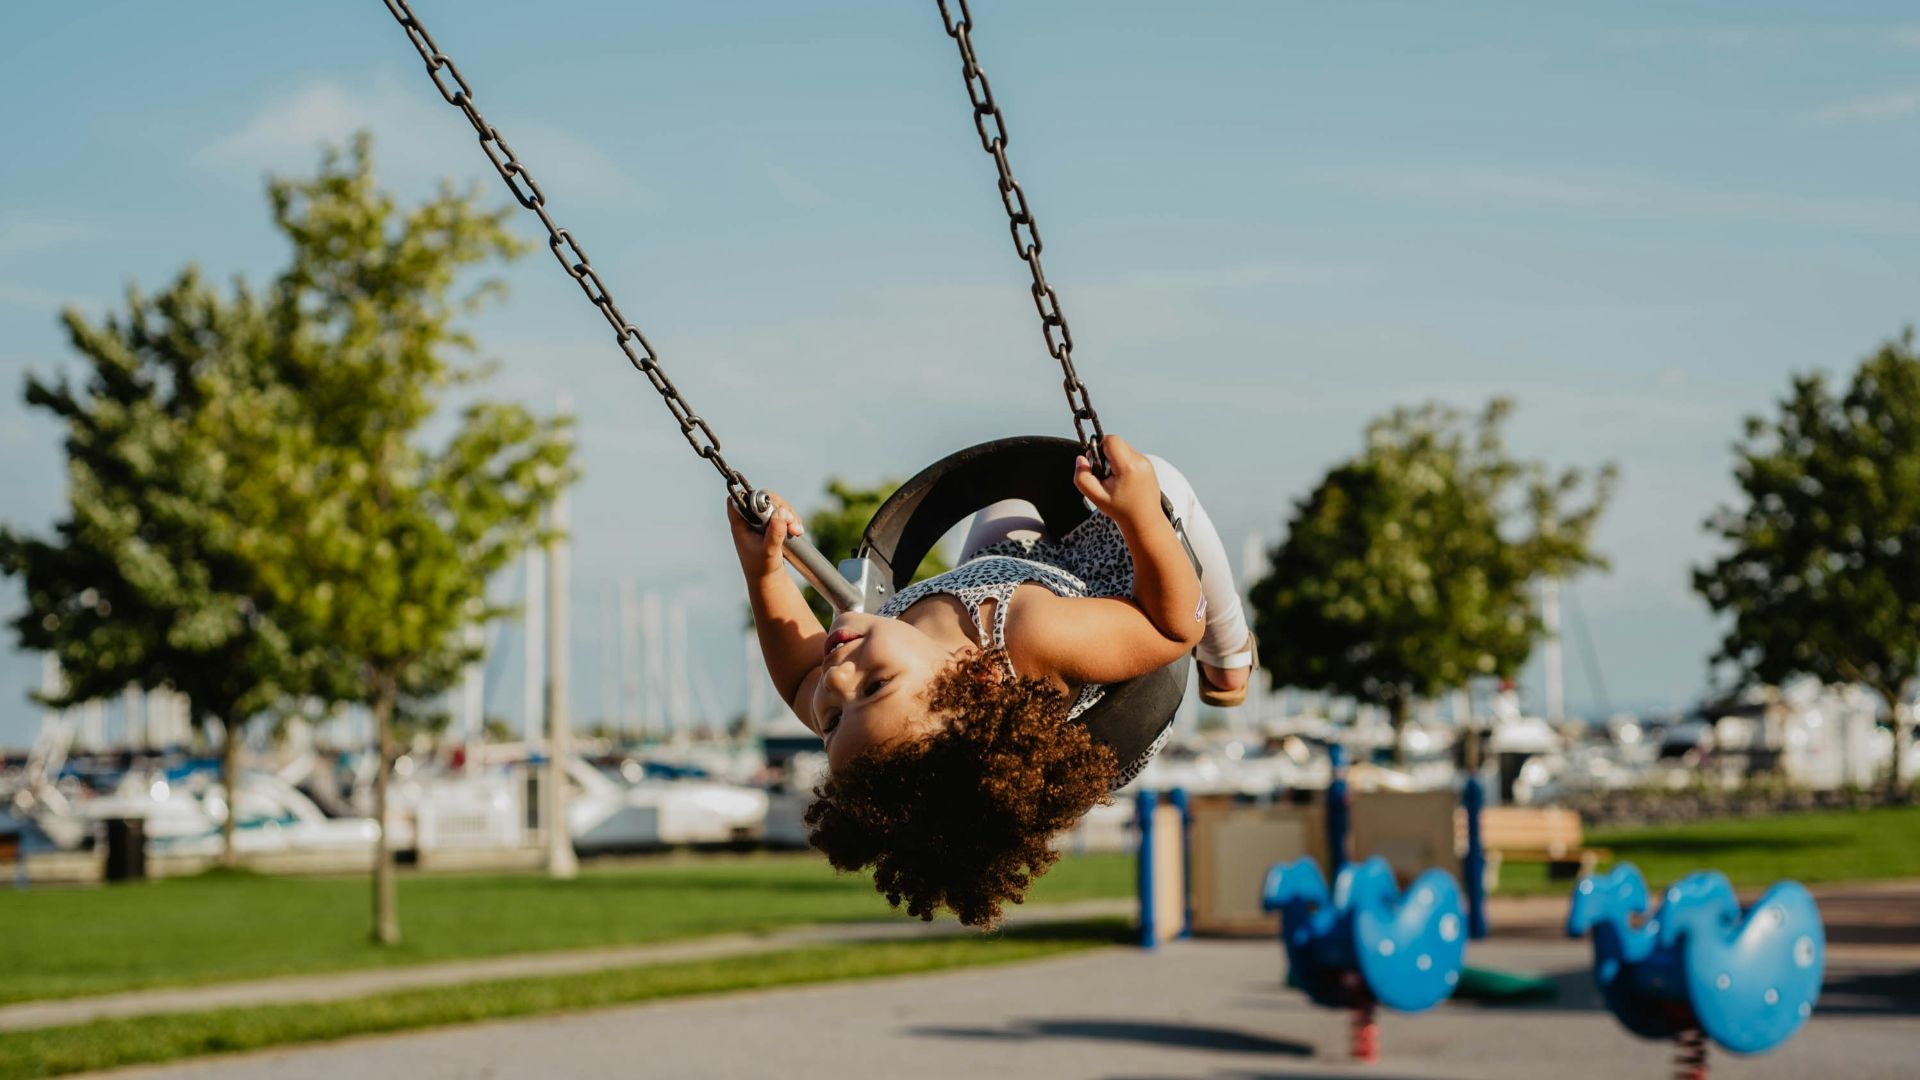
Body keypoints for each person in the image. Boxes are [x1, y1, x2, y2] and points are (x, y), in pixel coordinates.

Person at [729, 435, 1255, 926]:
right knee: (1162, 484)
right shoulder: (1034, 635)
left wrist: (765, 571)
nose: (838, 679)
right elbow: (1171, 628)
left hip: (1001, 568)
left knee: (1016, 493)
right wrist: (1140, 517)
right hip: (1115, 592)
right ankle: (1231, 654)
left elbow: (800, 677)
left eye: (833, 719)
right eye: (875, 686)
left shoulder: (882, 707)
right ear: (976, 680)